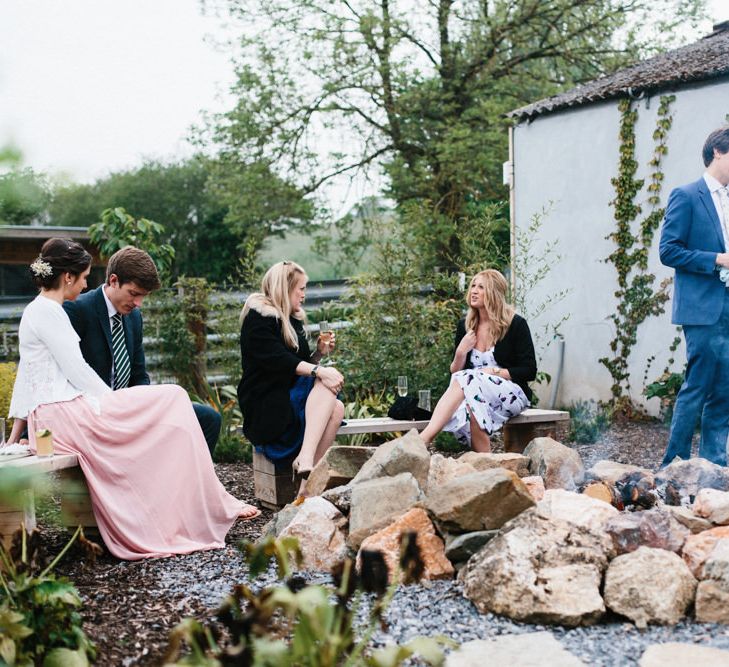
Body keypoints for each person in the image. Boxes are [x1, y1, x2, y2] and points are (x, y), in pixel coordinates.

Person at [7, 238, 259, 560]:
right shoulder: (54, 312)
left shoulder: (43, 310)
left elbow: (29, 377)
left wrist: (16, 432)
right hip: (71, 412)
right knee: (175, 395)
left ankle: (190, 502)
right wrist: (110, 404)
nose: (87, 282)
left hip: (68, 409)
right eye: (84, 276)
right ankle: (196, 506)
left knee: (180, 404)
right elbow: (77, 371)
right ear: (68, 277)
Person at [62, 246, 221, 456]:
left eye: (143, 296)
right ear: (113, 281)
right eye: (134, 294)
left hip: (131, 409)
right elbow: (60, 373)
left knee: (208, 418)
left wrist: (146, 409)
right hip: (96, 414)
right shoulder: (77, 310)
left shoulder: (134, 317)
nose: (138, 303)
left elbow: (139, 374)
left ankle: (183, 484)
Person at [659, 126, 729, 467]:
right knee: (697, 385)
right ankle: (674, 465)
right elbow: (668, 251)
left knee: (726, 389)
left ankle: (715, 465)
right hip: (703, 308)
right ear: (718, 151)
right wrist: (716, 258)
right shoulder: (686, 195)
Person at [237, 261, 344, 479]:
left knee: (337, 407)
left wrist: (319, 355)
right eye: (301, 288)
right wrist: (319, 370)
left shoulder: (291, 319)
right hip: (268, 405)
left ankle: (306, 489)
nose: (304, 294)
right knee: (328, 388)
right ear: (285, 288)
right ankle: (305, 459)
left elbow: (297, 364)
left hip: (290, 399)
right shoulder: (258, 319)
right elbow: (278, 360)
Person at [419, 269, 536, 452]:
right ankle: (485, 463)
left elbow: (529, 370)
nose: (473, 290)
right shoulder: (465, 326)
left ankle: (423, 439)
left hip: (511, 392)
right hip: (474, 390)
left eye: (481, 287)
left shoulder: (515, 324)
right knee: (472, 399)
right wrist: (460, 352)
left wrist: (493, 372)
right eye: (473, 285)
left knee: (469, 380)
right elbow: (455, 372)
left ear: (494, 293)